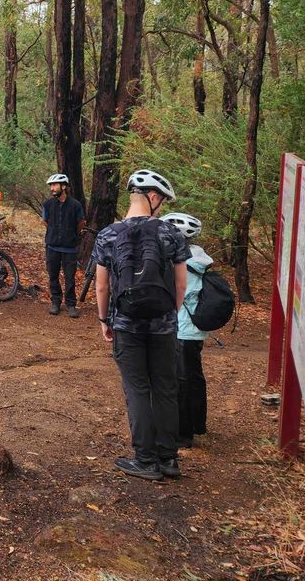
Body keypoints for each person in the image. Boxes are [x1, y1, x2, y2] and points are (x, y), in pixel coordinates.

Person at [94, 169, 190, 481]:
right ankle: (168, 459)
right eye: (161, 201)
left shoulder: (108, 234)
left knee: (137, 388)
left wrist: (104, 320)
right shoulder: (171, 233)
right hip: (164, 326)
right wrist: (170, 314)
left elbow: (102, 286)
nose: (161, 207)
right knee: (165, 388)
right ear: (153, 196)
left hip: (126, 323)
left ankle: (145, 460)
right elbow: (181, 284)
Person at [163, 212, 211, 448]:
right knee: (193, 377)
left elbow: (174, 296)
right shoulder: (198, 257)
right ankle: (197, 424)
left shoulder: (184, 263)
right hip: (193, 330)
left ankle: (183, 434)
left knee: (182, 380)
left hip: (183, 328)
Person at [42, 173, 86, 318]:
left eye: (55, 185)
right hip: (52, 246)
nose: (52, 188)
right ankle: (55, 302)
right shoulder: (48, 204)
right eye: (51, 186)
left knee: (70, 277)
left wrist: (71, 234)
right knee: (53, 275)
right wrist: (54, 232)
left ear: (64, 186)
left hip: (69, 248)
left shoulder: (75, 205)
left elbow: (81, 223)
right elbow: (45, 221)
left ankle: (71, 304)